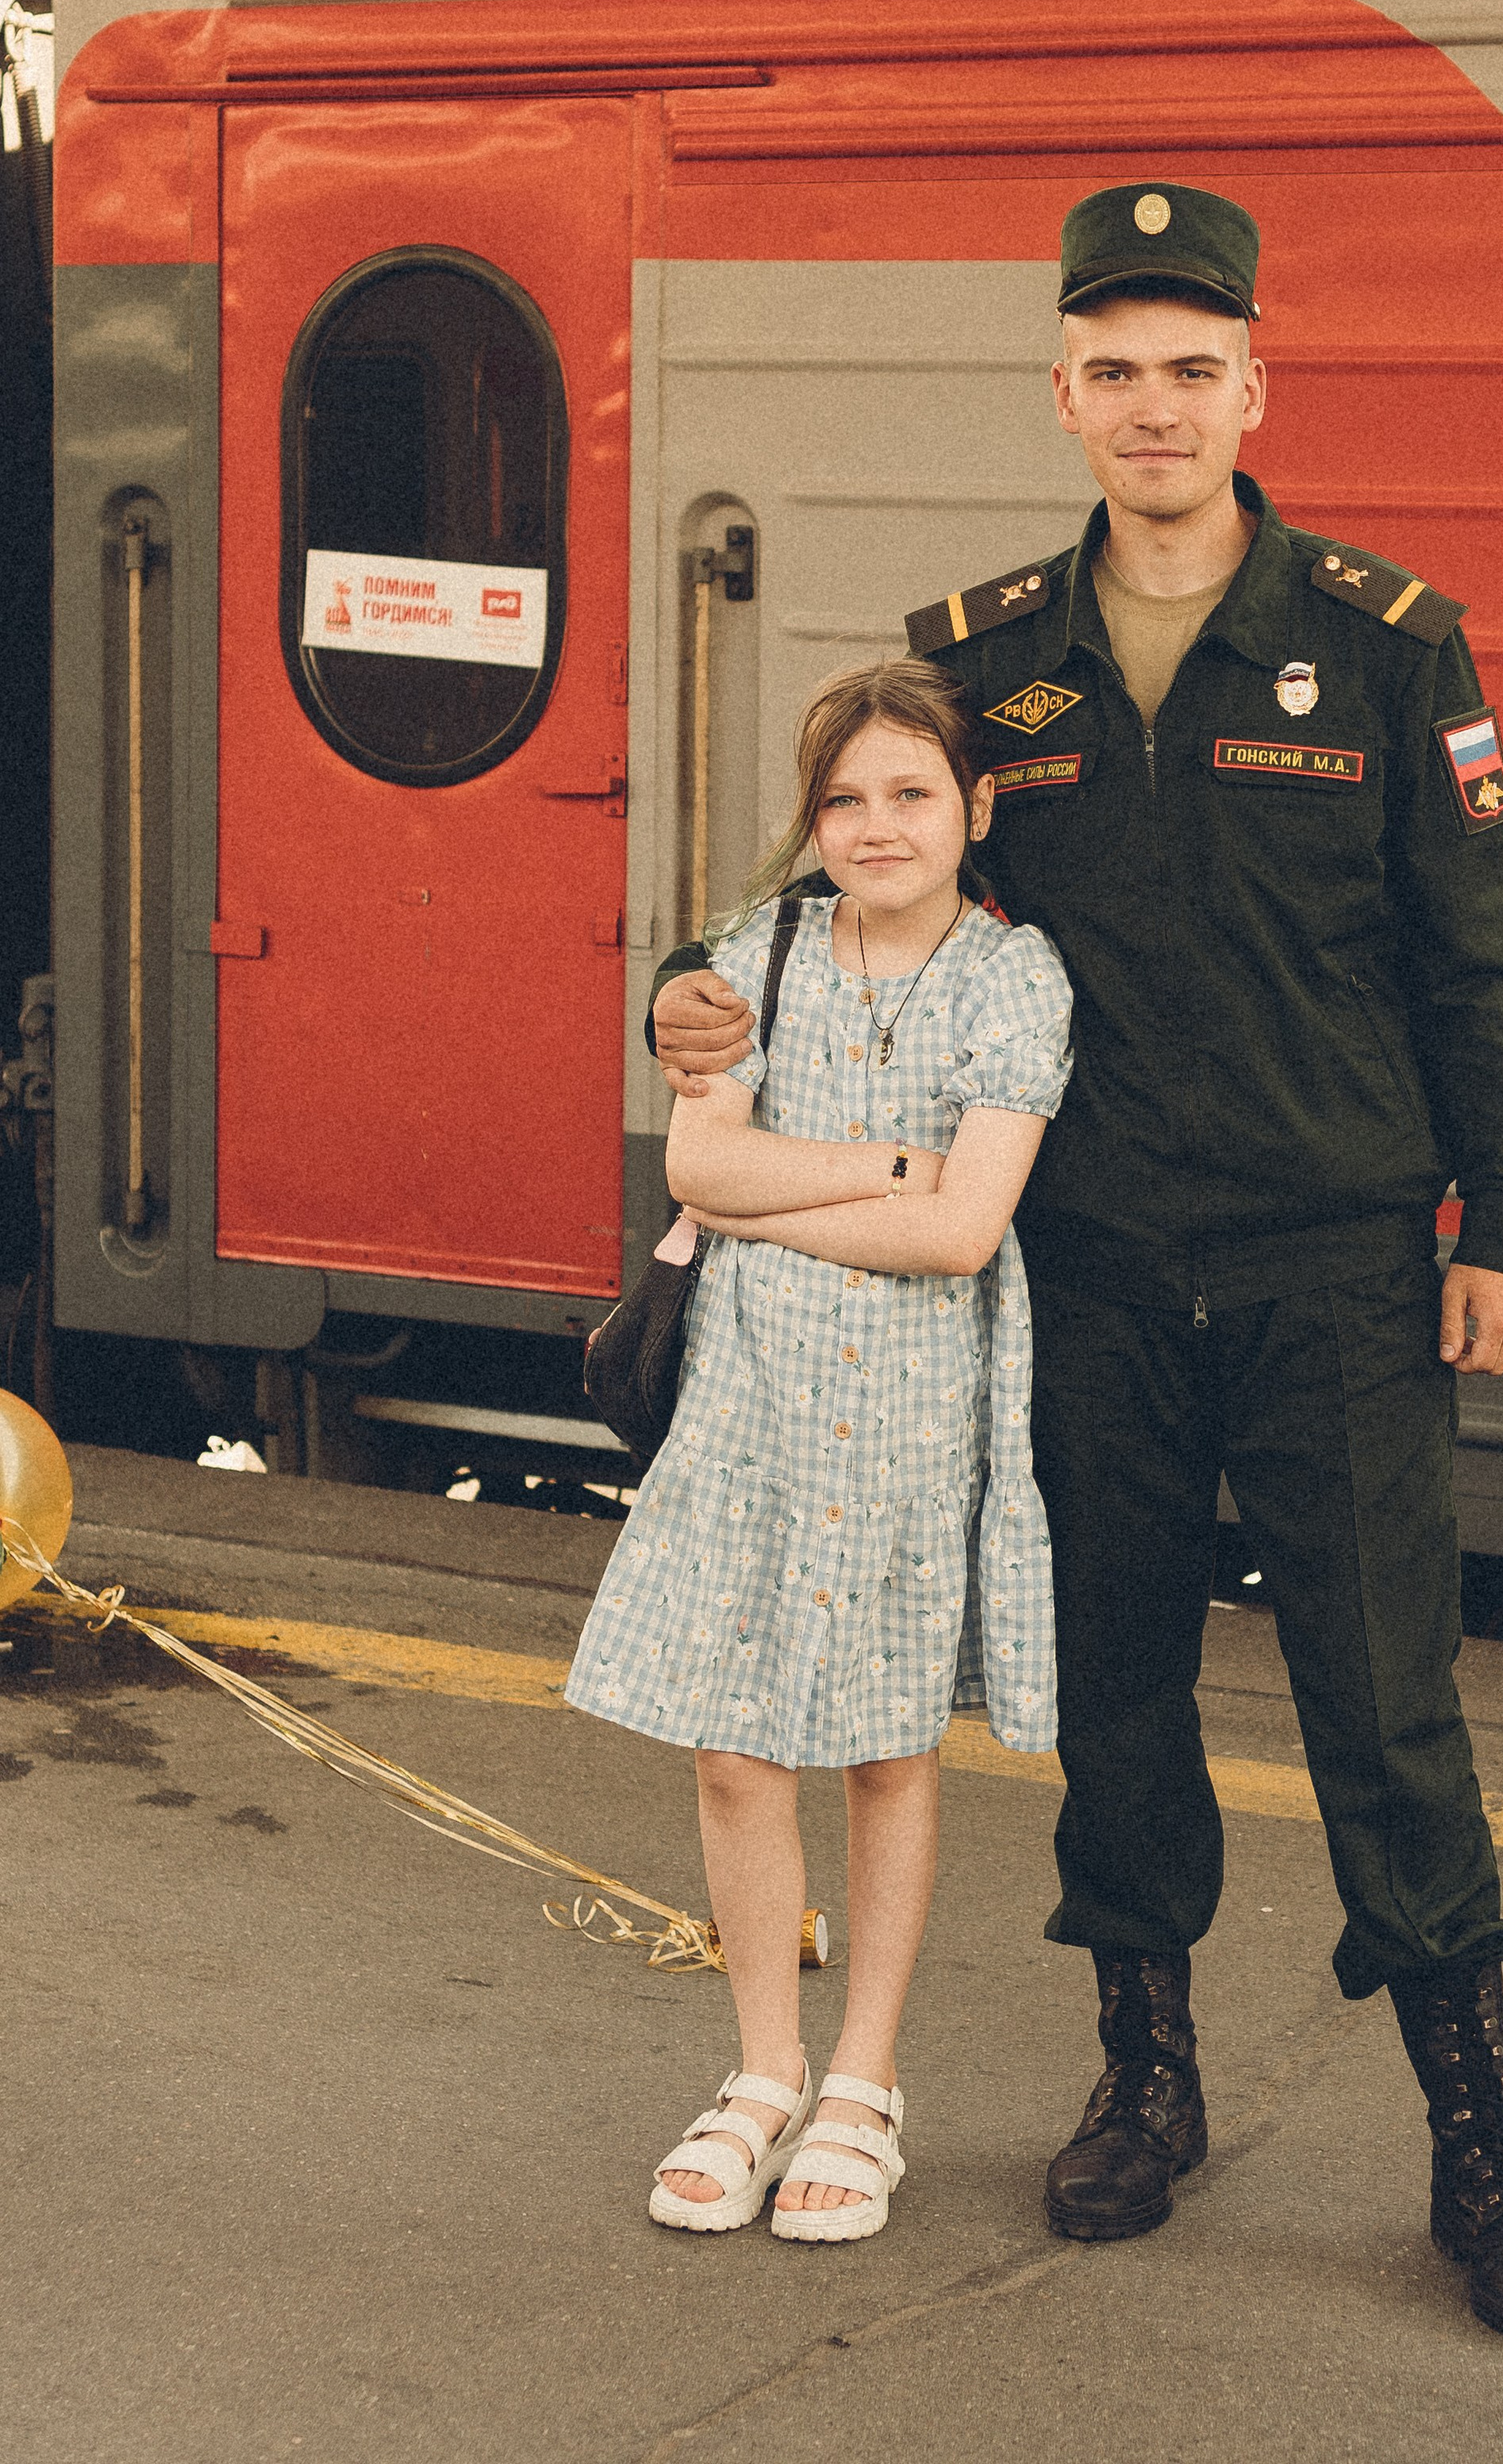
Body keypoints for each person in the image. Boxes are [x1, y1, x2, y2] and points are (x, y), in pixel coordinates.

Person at [648, 185, 1503, 2344]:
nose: (1156, 404)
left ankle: (1485, 2144)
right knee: (1118, 1703)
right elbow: (826, 878)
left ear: (1255, 387)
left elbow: (1474, 961)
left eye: (1196, 366)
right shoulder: (984, 660)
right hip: (1083, 1278)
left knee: (1387, 1714)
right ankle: (1143, 2076)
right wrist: (686, 1004)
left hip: (1339, 1269)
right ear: (1062, 394)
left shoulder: (1385, 640)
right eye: (1117, 368)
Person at [569, 659, 1071, 2244]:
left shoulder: (1016, 978)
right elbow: (695, 1163)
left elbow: (962, 1231)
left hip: (916, 1401)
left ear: (972, 809)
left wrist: (780, 1194)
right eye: (843, 798)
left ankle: (864, 2077)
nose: (874, 825)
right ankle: (761, 2071)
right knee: (732, 1742)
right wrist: (884, 1162)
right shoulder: (755, 952)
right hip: (746, 1398)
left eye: (910, 793)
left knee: (881, 1742)